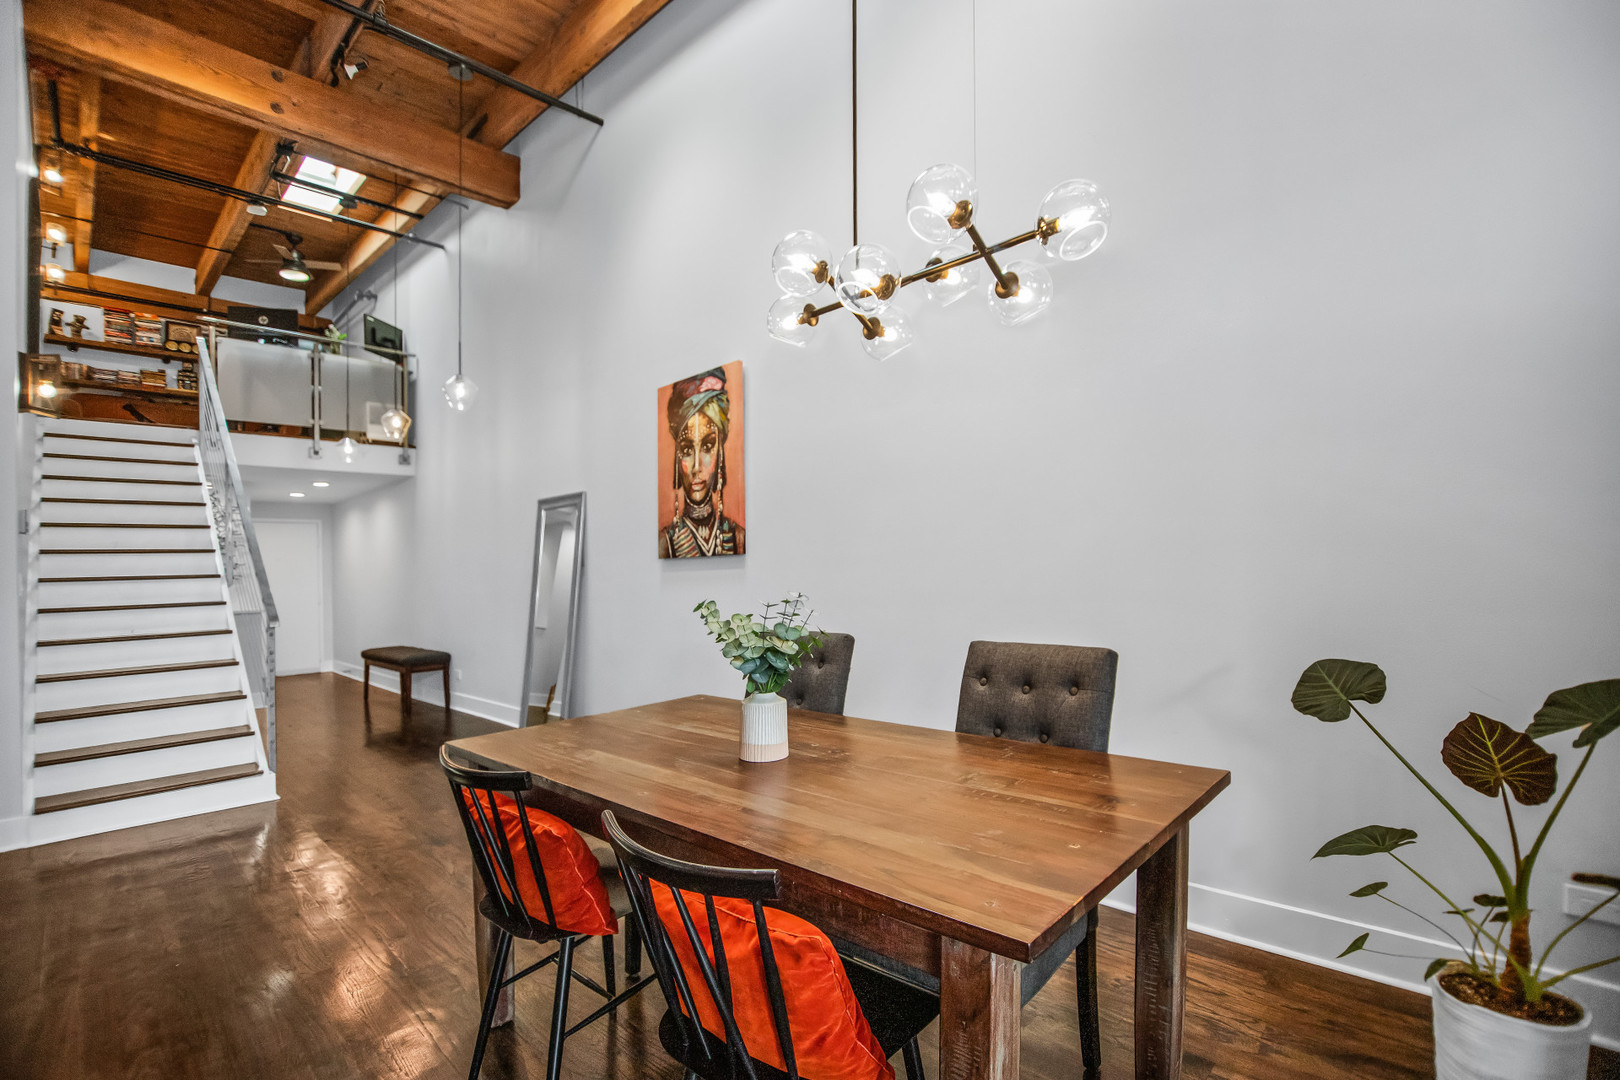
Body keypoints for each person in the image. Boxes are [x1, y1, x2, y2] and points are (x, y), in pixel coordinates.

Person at [660, 367, 745, 558]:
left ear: (720, 454)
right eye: (687, 450)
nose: (697, 467)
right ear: (677, 458)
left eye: (707, 447)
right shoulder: (664, 542)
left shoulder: (739, 538)